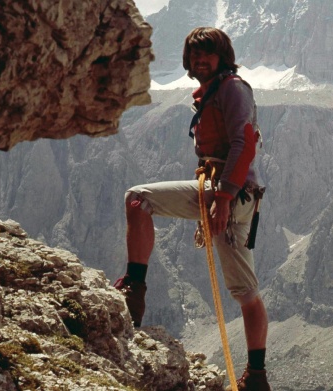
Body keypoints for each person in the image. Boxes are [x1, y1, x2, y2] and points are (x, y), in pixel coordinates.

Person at [113, 27, 271, 391]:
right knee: (138, 198)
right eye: (195, 55)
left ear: (221, 58)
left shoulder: (232, 89)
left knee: (245, 291)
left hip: (231, 195)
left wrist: (224, 200)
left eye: (208, 54)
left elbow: (243, 145)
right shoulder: (212, 91)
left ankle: (257, 377)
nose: (200, 60)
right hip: (217, 190)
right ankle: (135, 289)